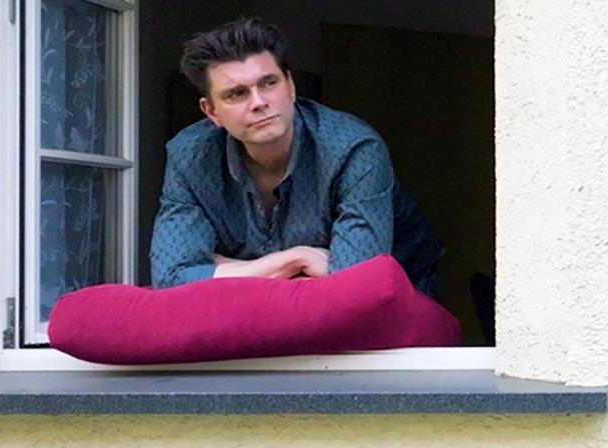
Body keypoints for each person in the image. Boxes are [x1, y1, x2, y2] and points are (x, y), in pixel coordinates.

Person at [150, 17, 443, 294]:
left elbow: (356, 283)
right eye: (237, 94)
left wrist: (221, 268)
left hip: (403, 284)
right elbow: (171, 276)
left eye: (269, 83)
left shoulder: (353, 148)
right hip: (270, 301)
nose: (259, 102)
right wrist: (294, 259)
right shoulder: (189, 156)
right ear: (211, 111)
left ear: (290, 86)